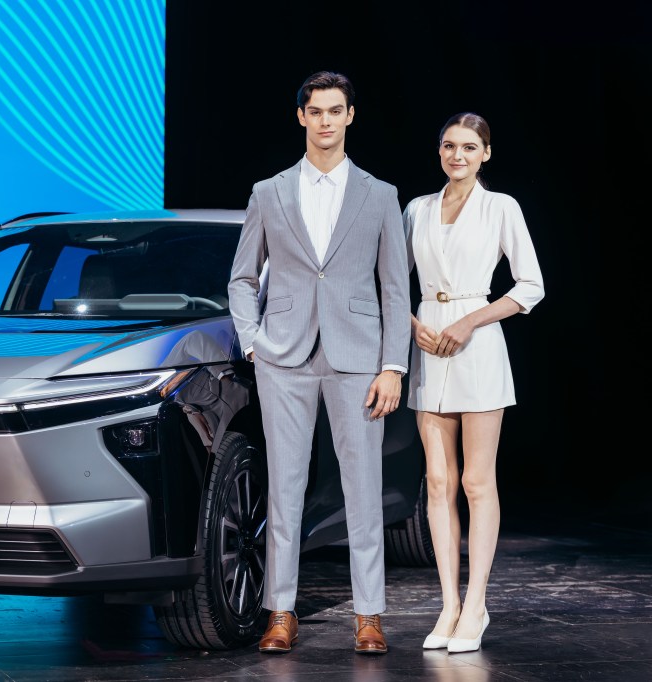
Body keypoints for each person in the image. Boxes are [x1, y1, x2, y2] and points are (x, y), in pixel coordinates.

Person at [228, 70, 410, 655]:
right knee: (284, 487)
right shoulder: (269, 191)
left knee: (363, 488)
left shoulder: (380, 195)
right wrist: (254, 342)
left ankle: (369, 615)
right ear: (301, 116)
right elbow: (242, 278)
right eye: (317, 111)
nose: (326, 120)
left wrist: (393, 365)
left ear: (350, 116)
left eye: (336, 110)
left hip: (359, 357)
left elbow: (395, 290)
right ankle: (280, 612)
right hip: (284, 356)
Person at [402, 112, 544, 653]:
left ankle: (477, 603)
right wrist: (410, 323)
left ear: (485, 153)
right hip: (426, 344)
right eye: (448, 145)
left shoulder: (501, 206)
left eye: (468, 147)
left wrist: (469, 322)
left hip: (477, 345)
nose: (456, 155)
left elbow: (530, 286)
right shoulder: (417, 208)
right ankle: (449, 604)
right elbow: (390, 279)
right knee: (438, 481)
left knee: (476, 482)